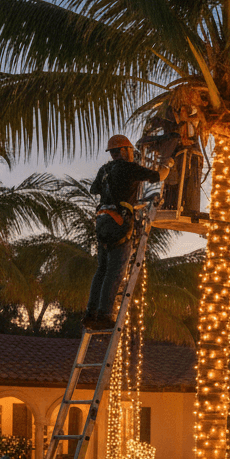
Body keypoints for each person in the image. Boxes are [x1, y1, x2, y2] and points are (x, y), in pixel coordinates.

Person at [84, 134, 171, 330]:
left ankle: (91, 313)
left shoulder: (104, 170)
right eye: (131, 151)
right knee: (115, 271)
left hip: (103, 221)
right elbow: (158, 176)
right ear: (123, 151)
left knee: (102, 269)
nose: (132, 154)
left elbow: (93, 189)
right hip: (119, 223)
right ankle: (105, 315)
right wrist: (169, 165)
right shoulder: (128, 168)